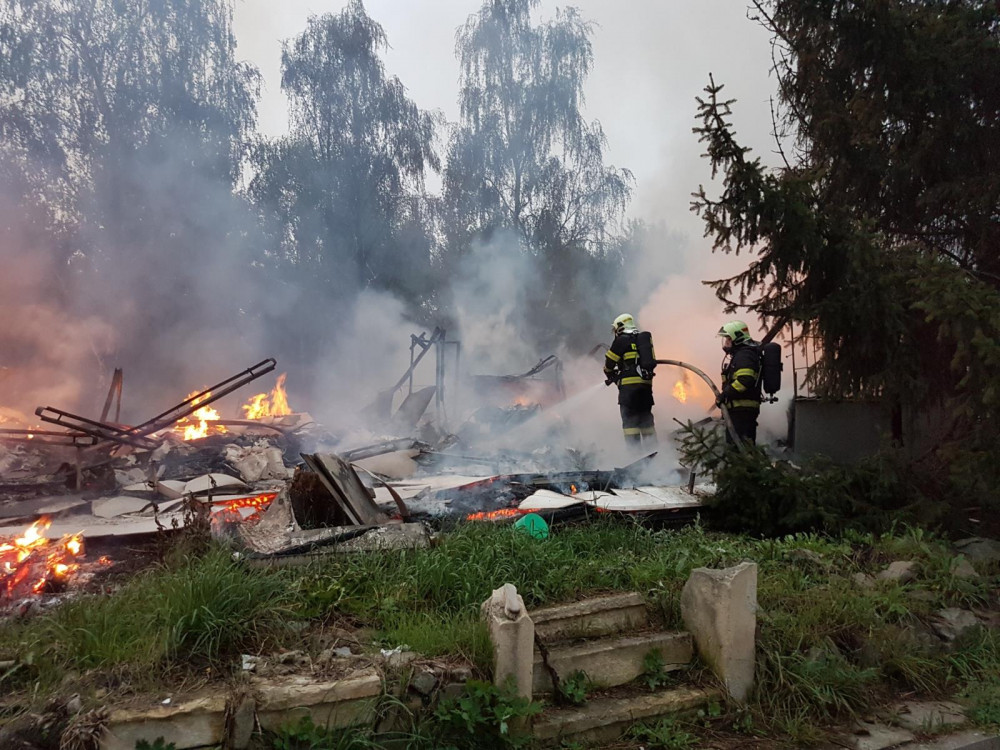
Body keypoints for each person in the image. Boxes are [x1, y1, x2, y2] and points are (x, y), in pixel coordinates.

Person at [604, 313, 657, 448]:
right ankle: (652, 450)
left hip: (629, 390)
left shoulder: (621, 340)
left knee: (630, 423)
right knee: (646, 420)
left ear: (620, 326)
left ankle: (635, 453)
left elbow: (609, 363)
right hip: (646, 387)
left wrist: (609, 373)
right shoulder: (642, 340)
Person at [717, 320, 761, 445]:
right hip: (740, 411)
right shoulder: (741, 355)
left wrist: (725, 394)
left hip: (742, 412)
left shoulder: (744, 355)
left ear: (737, 338)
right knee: (738, 446)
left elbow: (745, 380)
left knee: (739, 448)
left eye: (728, 339)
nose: (726, 342)